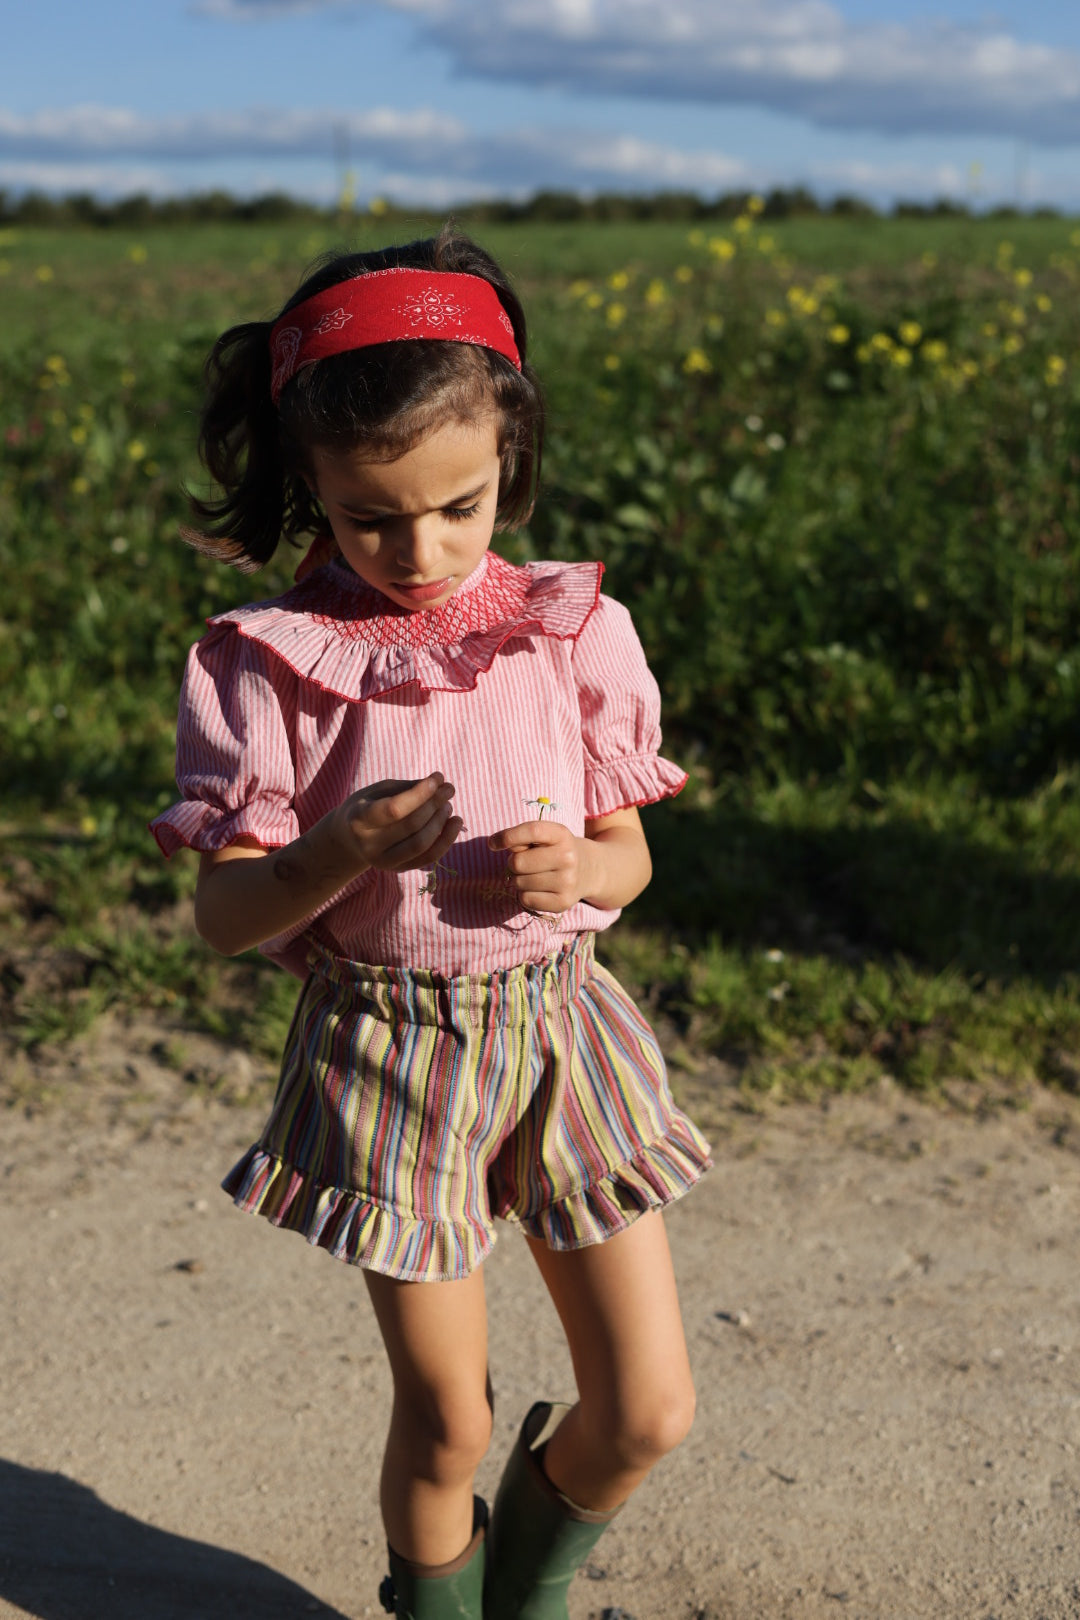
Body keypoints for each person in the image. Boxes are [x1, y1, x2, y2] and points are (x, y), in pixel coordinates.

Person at [151, 225, 712, 1620]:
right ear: (313, 492)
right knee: (446, 1422)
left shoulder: (574, 631)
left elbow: (630, 859)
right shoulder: (270, 669)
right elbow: (226, 917)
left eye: (461, 505)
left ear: (509, 459)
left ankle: (528, 1580)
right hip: (393, 1054)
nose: (422, 550)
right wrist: (332, 853)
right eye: (370, 517)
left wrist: (582, 875)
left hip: (561, 1032)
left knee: (646, 1410)